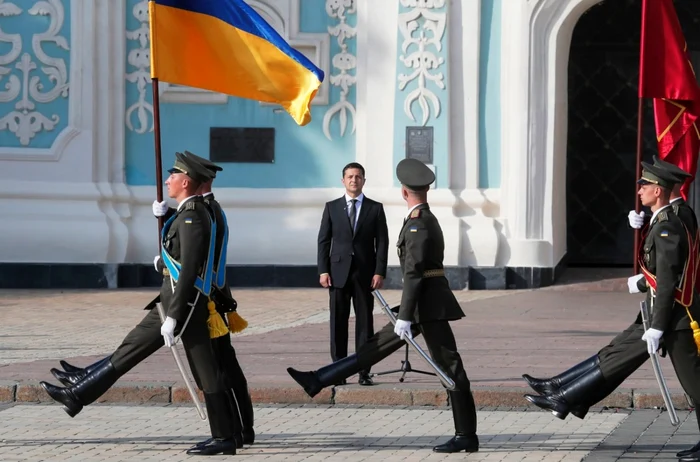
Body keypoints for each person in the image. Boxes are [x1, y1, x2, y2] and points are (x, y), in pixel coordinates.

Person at [41, 153, 239, 456]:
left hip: (184, 305)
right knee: (134, 347)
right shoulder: (187, 212)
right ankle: (77, 393)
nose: (167, 181)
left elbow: (188, 271)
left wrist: (174, 316)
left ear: (186, 182)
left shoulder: (192, 215)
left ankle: (226, 437)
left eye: (172, 177)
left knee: (205, 371)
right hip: (174, 301)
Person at [288, 158, 479, 453]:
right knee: (374, 348)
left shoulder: (418, 224)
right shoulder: (422, 218)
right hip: (419, 306)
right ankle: (318, 379)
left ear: (404, 192)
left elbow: (415, 274)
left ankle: (466, 433)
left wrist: (404, 315)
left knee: (450, 366)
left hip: (427, 308)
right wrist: (404, 312)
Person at [523, 162, 700, 461]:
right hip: (663, 310)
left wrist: (658, 325)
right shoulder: (675, 216)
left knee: (695, 384)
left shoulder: (669, 224)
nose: (639, 189)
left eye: (644, 185)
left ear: (658, 190)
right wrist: (647, 226)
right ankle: (564, 394)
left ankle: (566, 397)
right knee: (617, 352)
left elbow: (670, 276)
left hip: (676, 317)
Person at [155, 150, 256, 446]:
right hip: (212, 298)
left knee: (220, 370)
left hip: (207, 299)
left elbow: (198, 257)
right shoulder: (209, 209)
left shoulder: (206, 211)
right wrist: (168, 217)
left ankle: (236, 431)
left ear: (195, 181)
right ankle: (237, 430)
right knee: (223, 367)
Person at [317, 162, 389, 385]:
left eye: (358, 176)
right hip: (337, 273)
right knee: (338, 322)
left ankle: (364, 371)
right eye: (350, 176)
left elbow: (383, 242)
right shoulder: (332, 207)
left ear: (363, 180)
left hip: (365, 275)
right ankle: (338, 371)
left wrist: (380, 271)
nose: (354, 180)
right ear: (343, 180)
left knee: (365, 324)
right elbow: (323, 241)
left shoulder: (375, 208)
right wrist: (323, 270)